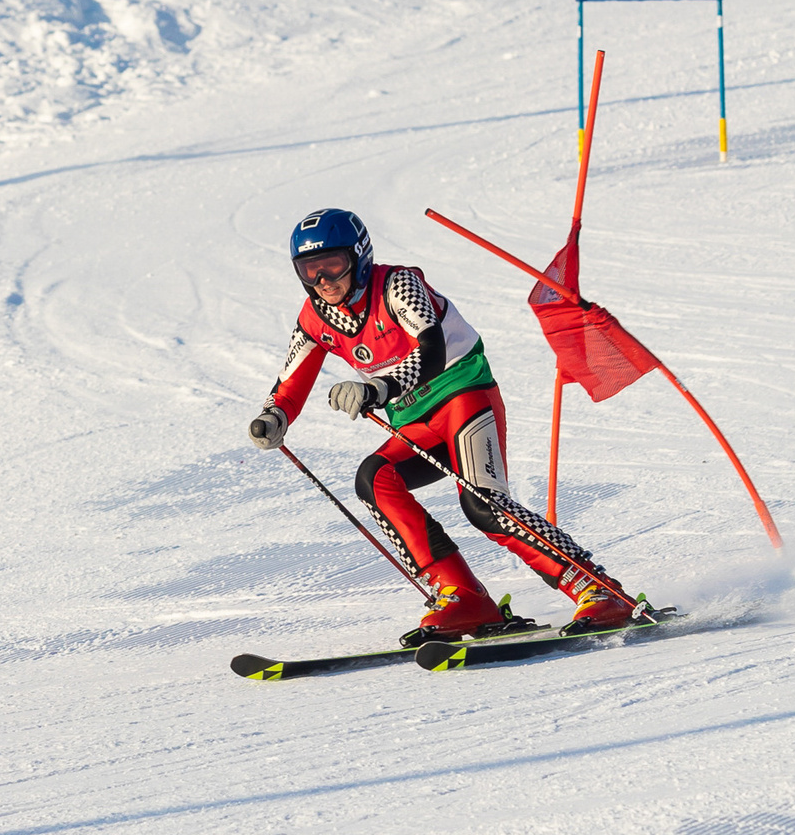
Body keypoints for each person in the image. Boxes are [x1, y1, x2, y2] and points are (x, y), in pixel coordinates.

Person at [246, 208, 641, 641]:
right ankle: (461, 596)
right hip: (415, 422)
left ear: (359, 256)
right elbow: (291, 379)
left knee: (484, 505)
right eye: (310, 270)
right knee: (374, 479)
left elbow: (431, 350)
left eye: (333, 265)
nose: (323, 280)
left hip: (462, 395)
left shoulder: (397, 284)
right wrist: (274, 416)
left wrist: (378, 389)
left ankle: (597, 589)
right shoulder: (316, 315)